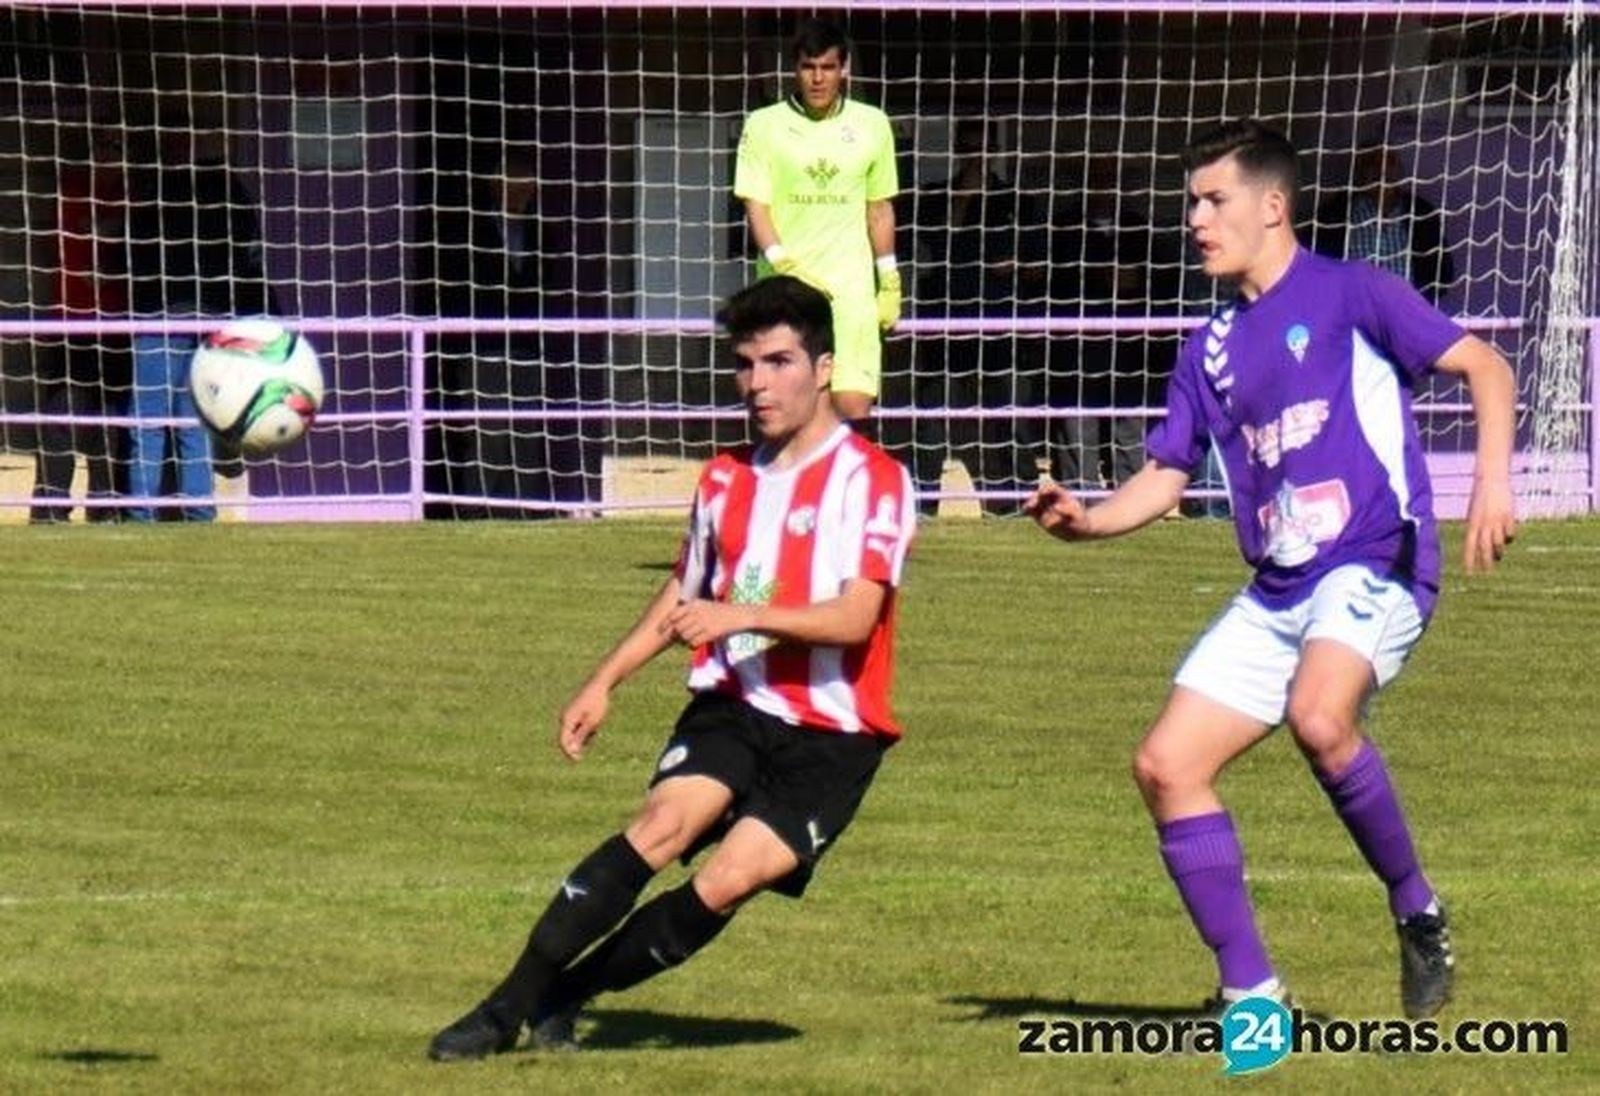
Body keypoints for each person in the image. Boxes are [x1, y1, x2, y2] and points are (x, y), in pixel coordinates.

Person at [1026, 118, 1515, 1017]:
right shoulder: (1209, 349)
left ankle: (1418, 910)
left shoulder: (1353, 292)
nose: (1197, 220)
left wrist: (1491, 484)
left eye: (1215, 200)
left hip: (1376, 559)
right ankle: (1252, 991)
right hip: (1280, 584)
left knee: (1320, 717)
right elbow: (1167, 475)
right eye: (1192, 204)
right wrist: (1088, 525)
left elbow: (1484, 365)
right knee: (1166, 765)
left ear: (1274, 206)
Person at [427, 275, 917, 1061]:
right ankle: (500, 1008)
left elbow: (856, 619)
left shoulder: (876, 481)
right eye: (746, 364)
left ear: (823, 368)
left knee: (725, 881)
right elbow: (682, 592)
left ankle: (568, 994)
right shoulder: (725, 478)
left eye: (780, 362)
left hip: (834, 736)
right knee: (660, 825)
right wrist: (604, 679)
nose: (759, 384)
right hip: (735, 703)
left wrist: (741, 614)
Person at [734, 18, 900, 430]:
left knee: (852, 410)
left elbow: (877, 208)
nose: (818, 78)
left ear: (844, 69)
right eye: (809, 67)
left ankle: (849, 495)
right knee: (789, 413)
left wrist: (890, 278)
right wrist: (782, 262)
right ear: (795, 68)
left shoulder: (872, 124)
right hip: (786, 294)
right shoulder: (764, 125)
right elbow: (756, 204)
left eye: (827, 67)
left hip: (851, 296)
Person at [124, 125, 273, 522]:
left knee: (188, 422)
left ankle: (195, 512)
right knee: (155, 422)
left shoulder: (216, 189)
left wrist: (255, 313)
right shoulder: (154, 189)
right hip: (163, 315)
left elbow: (247, 254)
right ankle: (150, 514)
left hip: (199, 316)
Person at [428, 149, 586, 518]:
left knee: (527, 437)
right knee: (487, 437)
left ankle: (522, 513)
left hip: (528, 347)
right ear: (494, 185)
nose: (519, 193)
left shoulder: (541, 233)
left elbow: (543, 285)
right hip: (483, 347)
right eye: (511, 184)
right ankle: (476, 512)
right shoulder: (468, 232)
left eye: (526, 186)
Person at [909, 118, 1049, 517]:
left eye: (983, 146)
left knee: (1010, 418)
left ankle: (1016, 504)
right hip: (945, 321)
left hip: (1001, 323)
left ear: (994, 150)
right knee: (933, 417)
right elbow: (935, 242)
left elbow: (1039, 264)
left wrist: (1017, 266)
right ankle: (924, 505)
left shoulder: (1015, 199)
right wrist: (965, 196)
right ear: (958, 149)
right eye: (969, 146)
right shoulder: (936, 196)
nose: (976, 154)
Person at [31, 125, 130, 523]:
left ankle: (105, 506)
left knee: (109, 421)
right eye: (100, 146)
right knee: (62, 415)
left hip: (118, 326)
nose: (106, 154)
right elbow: (79, 249)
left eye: (115, 146)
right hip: (72, 323)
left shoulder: (133, 194)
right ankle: (50, 505)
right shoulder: (73, 191)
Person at [1048, 156, 1150, 493]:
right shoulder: (1064, 225)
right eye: (1098, 180)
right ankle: (1081, 492)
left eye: (1111, 179)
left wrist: (1130, 281)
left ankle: (1131, 491)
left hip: (1126, 340)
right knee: (1078, 419)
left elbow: (1152, 277)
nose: (1105, 187)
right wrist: (1098, 273)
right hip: (1077, 338)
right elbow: (1054, 275)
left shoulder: (1137, 225)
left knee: (1129, 420)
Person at [1309, 143, 1455, 305]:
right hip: (1353, 313)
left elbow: (1443, 275)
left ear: (1400, 171)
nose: (1382, 170)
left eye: (1390, 162)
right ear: (1360, 171)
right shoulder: (1335, 212)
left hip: (1408, 313)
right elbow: (1314, 265)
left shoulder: (1421, 213)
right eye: (1372, 163)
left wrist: (1418, 307)